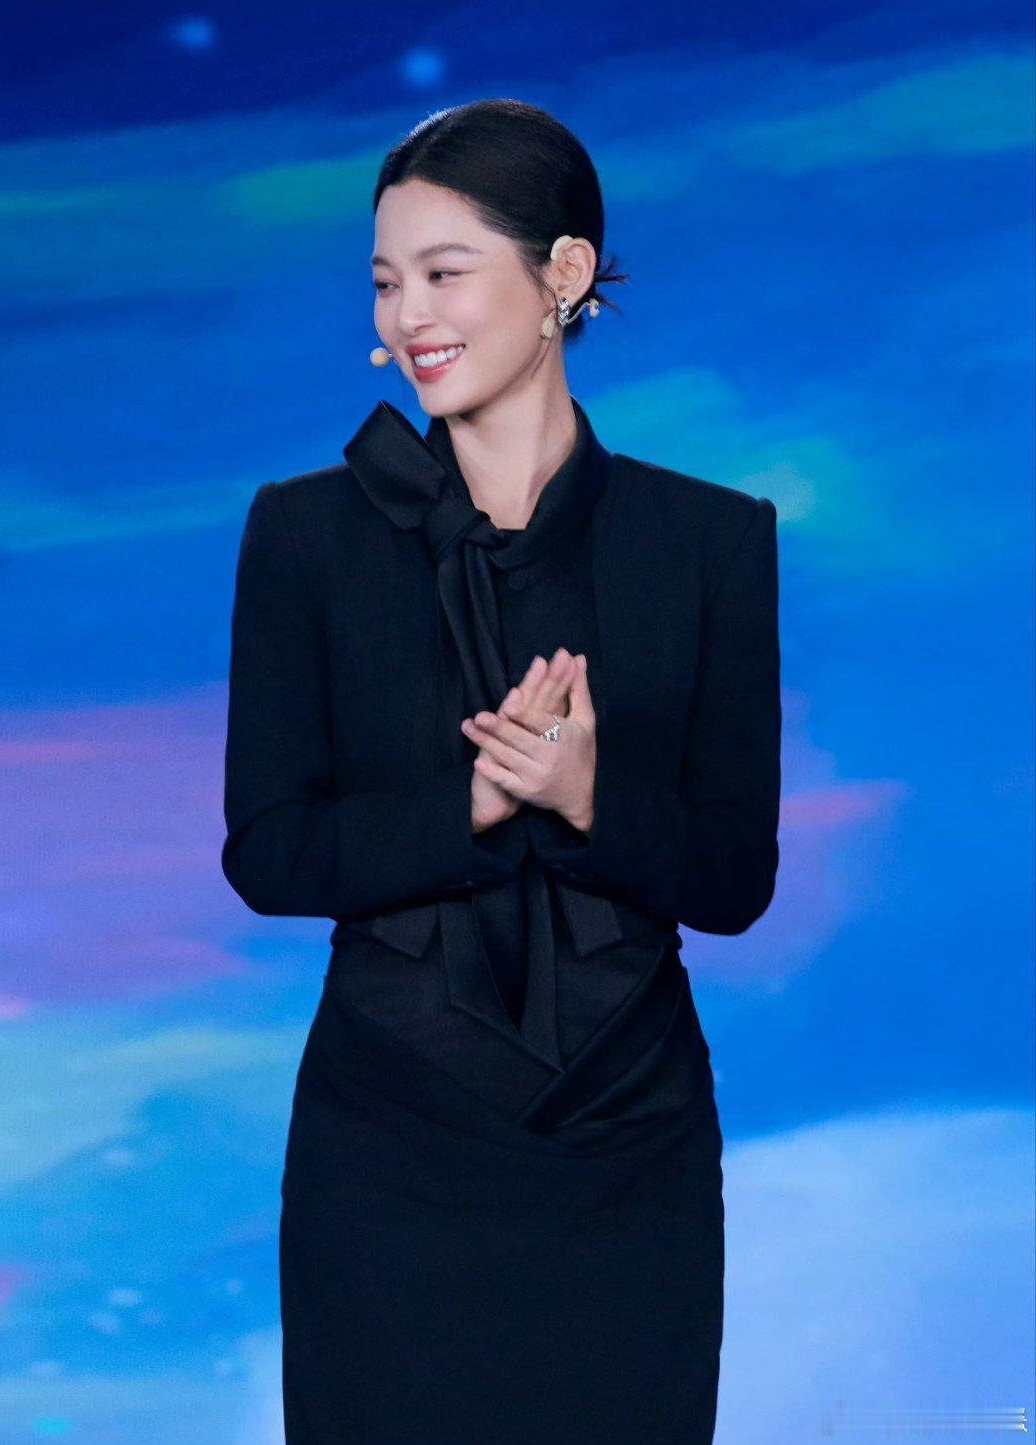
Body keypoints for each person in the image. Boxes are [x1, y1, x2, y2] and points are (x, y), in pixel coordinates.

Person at [221, 98, 781, 1445]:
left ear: (563, 275)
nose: (407, 314)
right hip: (387, 1144)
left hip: (628, 1149)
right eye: (386, 280)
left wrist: (587, 797)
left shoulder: (709, 541)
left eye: (444, 270)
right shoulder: (305, 534)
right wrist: (470, 804)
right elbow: (269, 850)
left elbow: (734, 879)